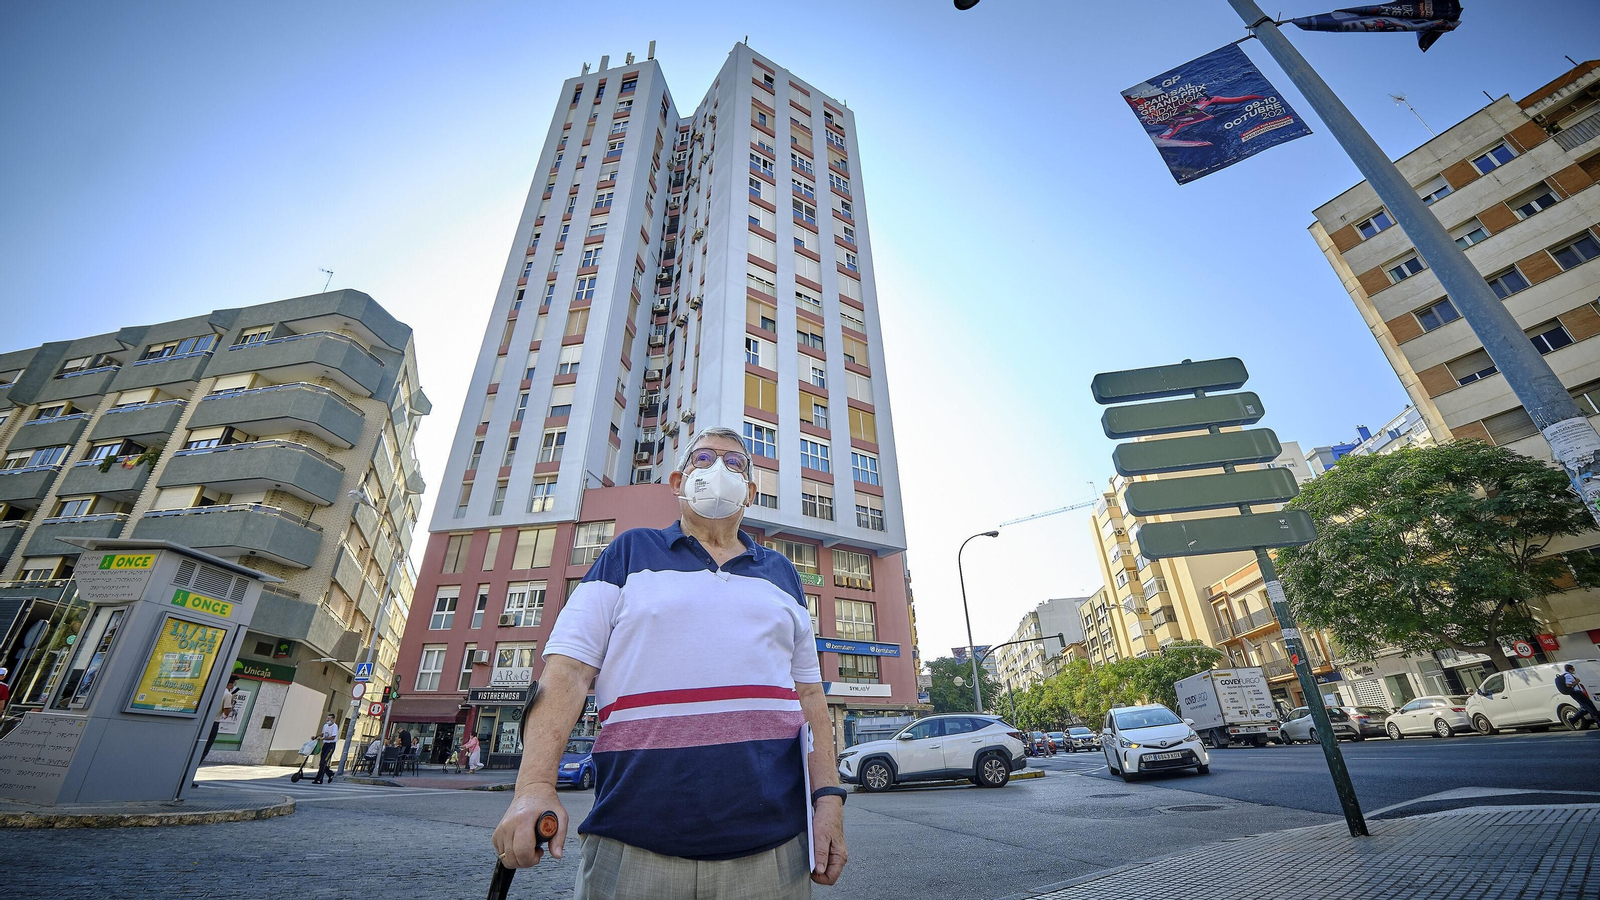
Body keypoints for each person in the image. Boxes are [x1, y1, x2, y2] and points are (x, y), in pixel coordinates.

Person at [493, 426, 847, 898]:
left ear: (751, 491)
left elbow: (809, 697)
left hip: (773, 852)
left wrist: (827, 800)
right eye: (703, 459)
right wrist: (534, 786)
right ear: (678, 481)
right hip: (633, 849)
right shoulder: (628, 553)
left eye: (734, 462)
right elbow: (568, 673)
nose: (718, 469)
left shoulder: (783, 574)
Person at [311, 714, 339, 784]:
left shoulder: (335, 726)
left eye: (329, 719)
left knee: (324, 762)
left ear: (332, 719)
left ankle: (319, 778)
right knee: (322, 762)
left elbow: (333, 737)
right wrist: (316, 737)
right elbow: (323, 734)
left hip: (331, 746)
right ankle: (330, 773)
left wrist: (323, 738)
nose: (327, 720)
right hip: (325, 744)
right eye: (327, 718)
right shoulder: (325, 726)